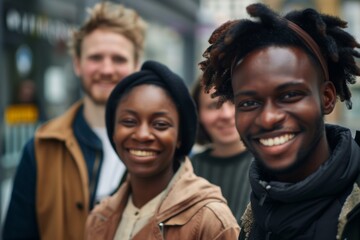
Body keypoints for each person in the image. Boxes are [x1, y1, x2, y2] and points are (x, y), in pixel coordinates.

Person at [199, 3, 360, 240]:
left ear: (326, 98)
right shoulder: (255, 213)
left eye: (289, 96)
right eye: (249, 103)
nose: (268, 118)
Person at [3, 2, 146, 240]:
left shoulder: (163, 145)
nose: (107, 68)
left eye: (118, 59)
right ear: (77, 64)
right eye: (96, 57)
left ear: (136, 65)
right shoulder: (41, 148)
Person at [84, 60, 240, 239]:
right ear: (113, 132)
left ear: (180, 136)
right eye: (129, 121)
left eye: (160, 124)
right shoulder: (99, 218)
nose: (143, 135)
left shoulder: (210, 220)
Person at [190, 77, 252, 223]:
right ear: (197, 114)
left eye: (233, 102)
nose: (226, 115)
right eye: (213, 106)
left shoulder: (270, 166)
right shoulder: (186, 170)